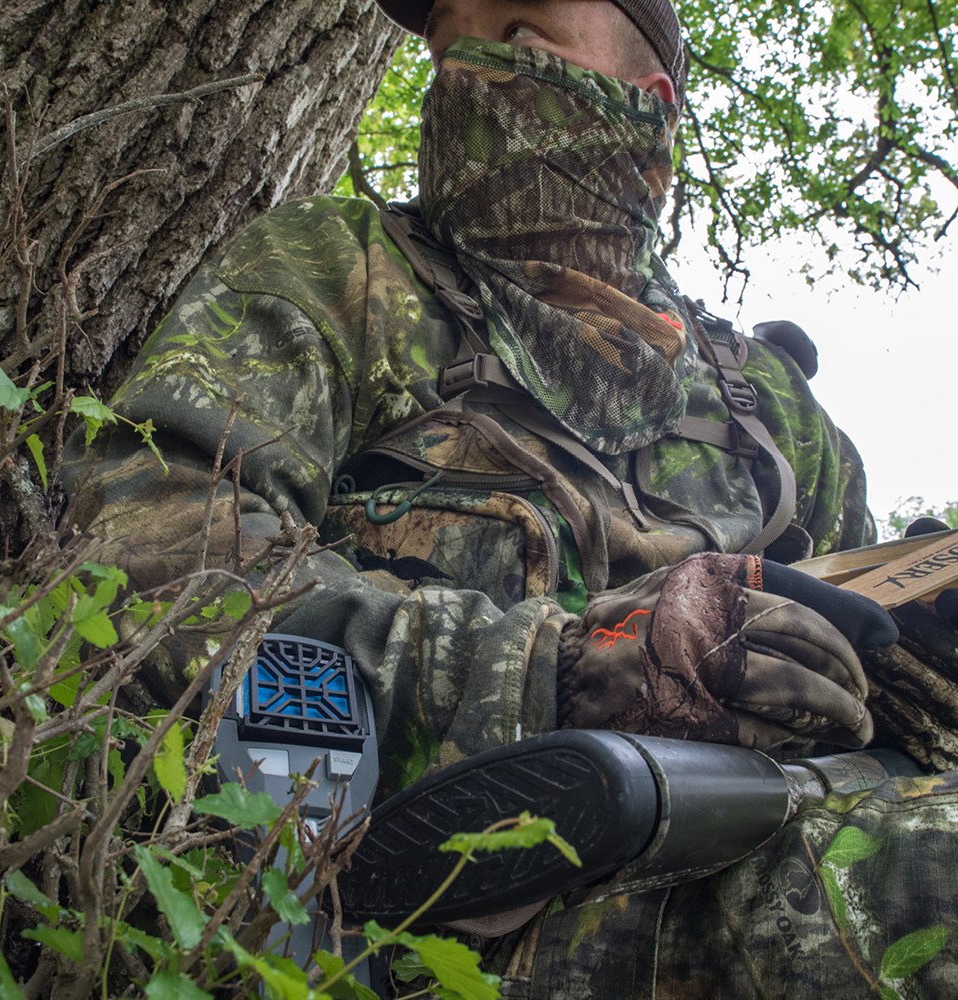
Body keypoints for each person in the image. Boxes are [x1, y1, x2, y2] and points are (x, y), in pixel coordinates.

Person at [63, 0, 958, 994]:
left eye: (522, 35)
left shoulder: (773, 409)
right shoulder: (339, 266)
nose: (466, 72)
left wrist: (913, 674)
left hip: (766, 836)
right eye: (448, 48)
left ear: (650, 104)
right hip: (416, 908)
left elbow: (865, 664)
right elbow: (149, 563)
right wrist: (556, 673)